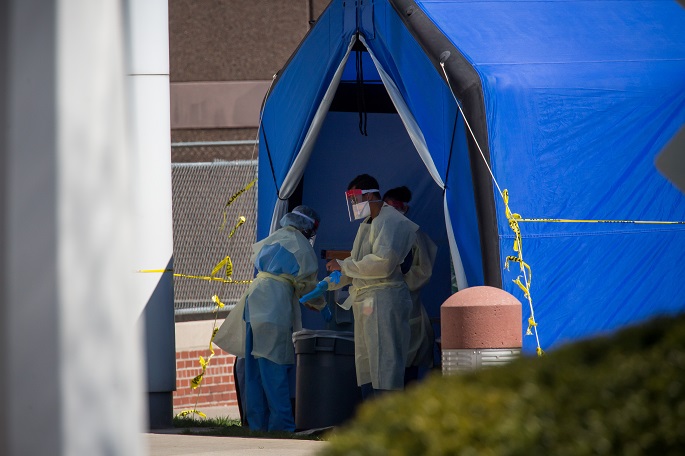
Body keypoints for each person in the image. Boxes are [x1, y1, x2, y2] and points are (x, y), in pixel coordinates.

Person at [214, 205, 325, 432]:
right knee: (275, 367)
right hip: (275, 306)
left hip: (254, 301)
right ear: (308, 227)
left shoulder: (274, 237)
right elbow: (307, 286)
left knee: (253, 368)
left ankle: (257, 425)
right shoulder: (302, 247)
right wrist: (321, 304)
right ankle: (281, 426)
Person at [326, 174, 418, 399]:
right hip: (367, 302)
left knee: (385, 361)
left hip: (384, 300)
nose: (353, 206)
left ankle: (386, 413)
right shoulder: (367, 224)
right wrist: (327, 284)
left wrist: (344, 266)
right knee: (366, 360)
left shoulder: (391, 220)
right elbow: (358, 263)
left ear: (368, 196)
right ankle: (371, 410)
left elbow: (383, 263)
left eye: (355, 200)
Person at [383, 186, 437, 385]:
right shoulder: (379, 232)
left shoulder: (413, 233)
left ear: (404, 208)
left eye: (394, 208)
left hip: (406, 304)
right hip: (383, 305)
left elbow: (424, 270)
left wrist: (399, 281)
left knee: (406, 364)